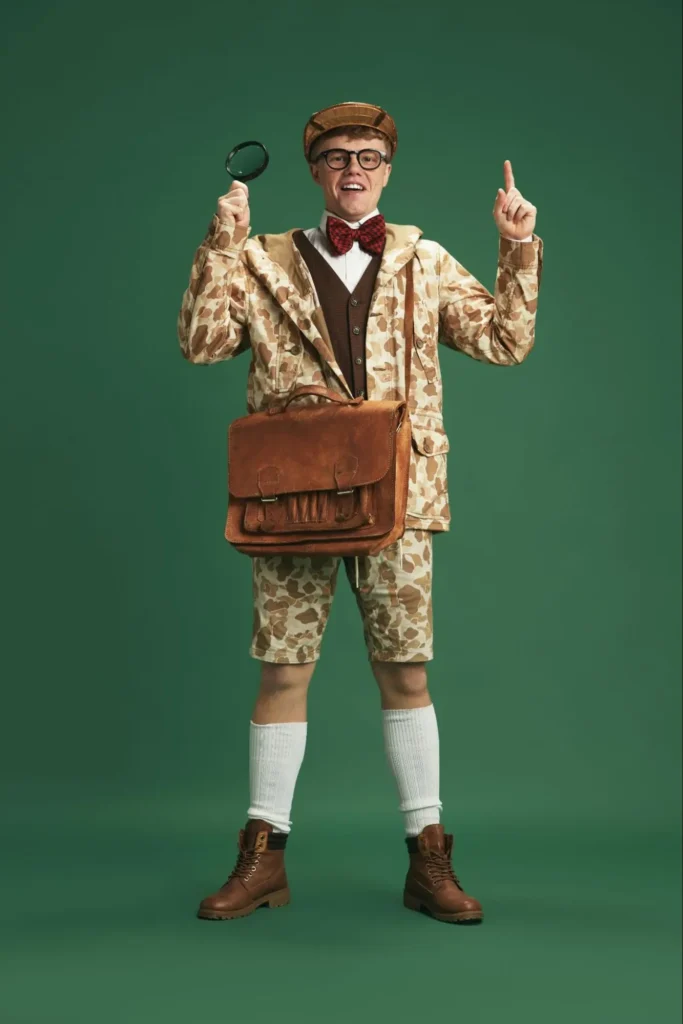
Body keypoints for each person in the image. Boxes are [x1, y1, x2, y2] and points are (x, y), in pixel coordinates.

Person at [177, 101, 543, 925]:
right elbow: (201, 343)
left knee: (405, 671)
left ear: (387, 169)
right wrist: (221, 244)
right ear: (313, 171)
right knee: (283, 670)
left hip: (399, 497)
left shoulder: (424, 258)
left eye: (369, 157)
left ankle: (429, 858)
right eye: (338, 155)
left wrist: (516, 243)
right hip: (291, 496)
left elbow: (503, 340)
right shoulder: (265, 258)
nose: (353, 169)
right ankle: (263, 857)